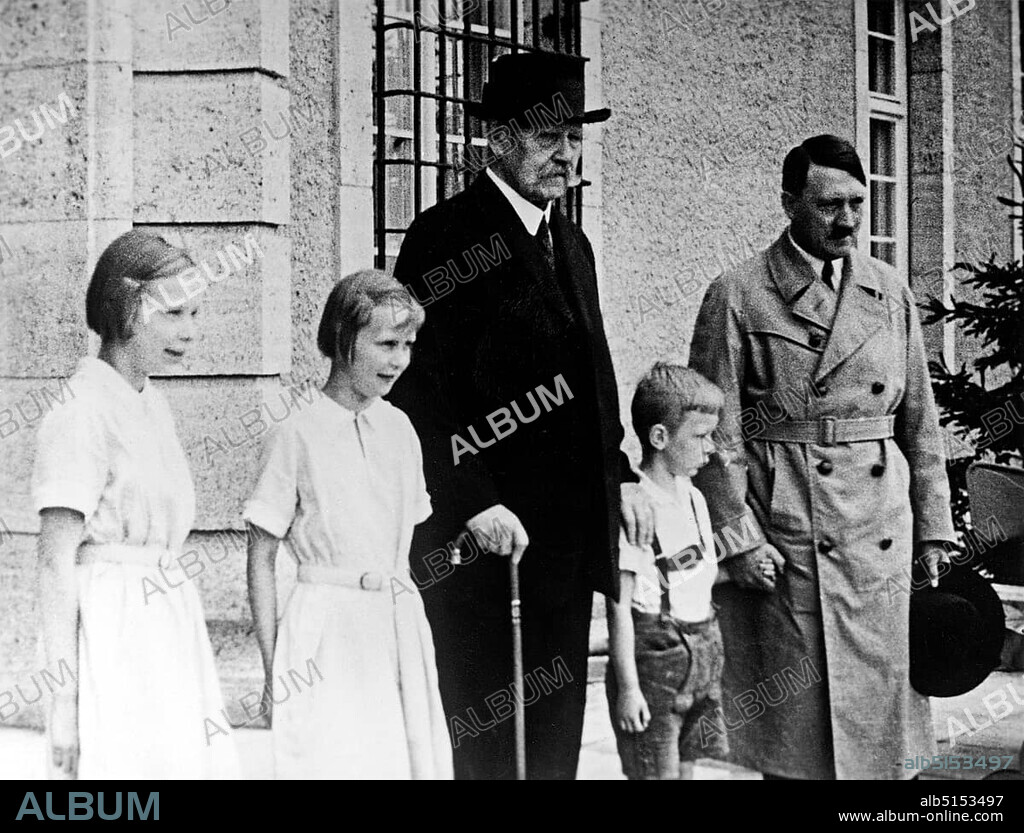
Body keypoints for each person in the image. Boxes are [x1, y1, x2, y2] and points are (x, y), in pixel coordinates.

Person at [387, 51, 654, 780]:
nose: (567, 156)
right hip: (482, 550)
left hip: (564, 547)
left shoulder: (572, 243)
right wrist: (470, 500)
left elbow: (592, 378)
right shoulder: (446, 237)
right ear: (497, 139)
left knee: (554, 742)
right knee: (489, 741)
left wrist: (621, 475)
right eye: (548, 138)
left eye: (575, 138)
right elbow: (416, 394)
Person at [689, 134, 956, 780]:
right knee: (798, 735)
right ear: (790, 204)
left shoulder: (889, 292)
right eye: (830, 204)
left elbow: (919, 422)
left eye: (858, 204)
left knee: (882, 738)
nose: (848, 221)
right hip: (791, 534)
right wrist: (740, 538)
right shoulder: (739, 293)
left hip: (879, 533)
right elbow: (713, 435)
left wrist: (936, 530)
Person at [33, 229, 239, 779]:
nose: (190, 332)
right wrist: (63, 709)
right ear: (126, 309)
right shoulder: (81, 409)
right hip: (111, 632)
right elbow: (54, 564)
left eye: (196, 314)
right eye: (174, 313)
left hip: (167, 627)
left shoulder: (152, 405)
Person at [244, 270, 452, 780]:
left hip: (397, 626)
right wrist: (274, 671)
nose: (399, 360)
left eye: (407, 345)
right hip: (325, 632)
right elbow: (261, 559)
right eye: (386, 344)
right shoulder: (295, 432)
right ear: (343, 340)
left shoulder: (400, 429)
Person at [606, 363, 735, 780]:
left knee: (688, 768)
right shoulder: (638, 506)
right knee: (654, 771)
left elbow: (689, 572)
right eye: (699, 436)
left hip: (702, 653)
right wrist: (628, 689)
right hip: (654, 661)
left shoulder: (694, 497)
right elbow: (619, 606)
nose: (710, 447)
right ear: (659, 437)